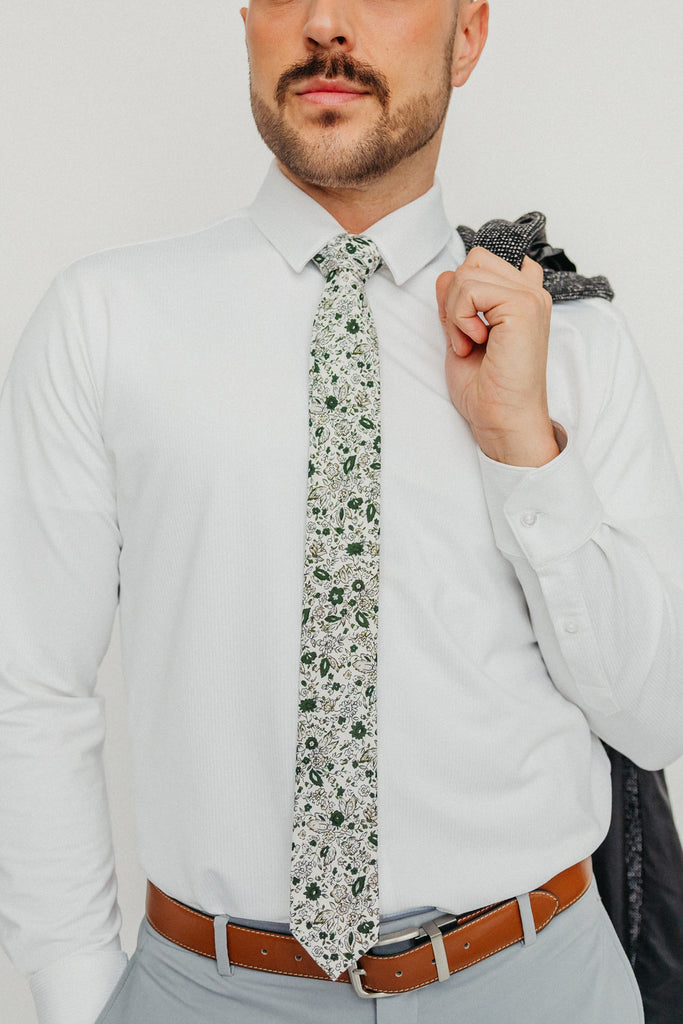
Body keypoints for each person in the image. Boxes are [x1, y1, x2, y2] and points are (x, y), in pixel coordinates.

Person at [1, 1, 682, 1021]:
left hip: (538, 982)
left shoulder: (568, 344)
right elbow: (31, 688)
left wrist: (522, 451)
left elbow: (651, 711)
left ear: (467, 35)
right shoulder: (105, 323)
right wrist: (74, 996)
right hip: (205, 993)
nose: (325, 22)